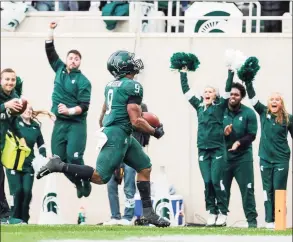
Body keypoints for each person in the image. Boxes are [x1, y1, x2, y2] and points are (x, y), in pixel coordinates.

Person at [36, 50, 170, 227]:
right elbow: (137, 121)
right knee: (100, 177)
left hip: (120, 132)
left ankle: (148, 213)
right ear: (123, 66)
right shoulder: (133, 86)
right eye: (131, 60)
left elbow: (103, 111)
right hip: (118, 134)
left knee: (145, 166)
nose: (135, 62)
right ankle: (59, 165)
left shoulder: (111, 85)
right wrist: (155, 131)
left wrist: (106, 129)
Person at [178, 66, 233, 226]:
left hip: (217, 149)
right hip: (203, 149)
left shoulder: (220, 106)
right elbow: (186, 92)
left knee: (216, 180)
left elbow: (228, 90)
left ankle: (223, 212)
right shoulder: (199, 106)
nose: (207, 93)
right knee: (207, 182)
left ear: (215, 95)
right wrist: (183, 73)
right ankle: (212, 211)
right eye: (206, 91)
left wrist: (230, 72)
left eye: (211, 91)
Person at [45, 22, 92, 198]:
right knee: (58, 161)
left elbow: (84, 106)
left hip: (75, 124)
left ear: (80, 62)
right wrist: (50, 30)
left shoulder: (84, 81)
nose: (73, 60)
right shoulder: (59, 69)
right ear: (66, 59)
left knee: (74, 159)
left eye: (76, 59)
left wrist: (69, 111)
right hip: (59, 123)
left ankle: (85, 181)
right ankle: (77, 182)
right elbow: (49, 49)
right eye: (70, 57)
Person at [245, 80, 293, 229]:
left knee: (278, 189)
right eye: (272, 99)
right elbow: (253, 99)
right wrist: (248, 81)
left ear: (281, 103)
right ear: (268, 102)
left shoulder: (288, 118)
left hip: (281, 159)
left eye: (277, 99)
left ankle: (279, 220)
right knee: (267, 190)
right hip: (265, 159)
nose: (274, 101)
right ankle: (269, 221)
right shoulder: (263, 112)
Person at [102, 102, 150, 226]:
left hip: (130, 152)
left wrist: (141, 146)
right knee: (112, 182)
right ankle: (115, 216)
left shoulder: (141, 107)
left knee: (129, 183)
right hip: (117, 151)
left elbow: (144, 129)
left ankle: (128, 216)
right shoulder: (115, 107)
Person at [5, 104, 53, 223]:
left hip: (28, 165)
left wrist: (42, 157)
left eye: (30, 110)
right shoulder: (15, 122)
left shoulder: (35, 127)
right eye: (26, 109)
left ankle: (24, 219)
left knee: (27, 192)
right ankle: (14, 218)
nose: (28, 111)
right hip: (14, 163)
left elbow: (41, 144)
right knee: (17, 191)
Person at [222, 82, 258, 228]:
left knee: (247, 190)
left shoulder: (249, 113)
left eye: (236, 94)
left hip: (243, 158)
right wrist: (223, 133)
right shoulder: (220, 111)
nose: (232, 97)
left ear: (241, 97)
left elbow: (252, 135)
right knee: (222, 190)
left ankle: (252, 222)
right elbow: (213, 132)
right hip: (224, 157)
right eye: (230, 94)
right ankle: (221, 220)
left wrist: (238, 143)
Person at [0, 68, 26, 224]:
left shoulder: (15, 98)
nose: (10, 82)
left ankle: (4, 215)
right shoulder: (8, 100)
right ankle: (4, 215)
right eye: (6, 79)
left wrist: (20, 137)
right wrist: (5, 105)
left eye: (13, 80)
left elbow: (13, 121)